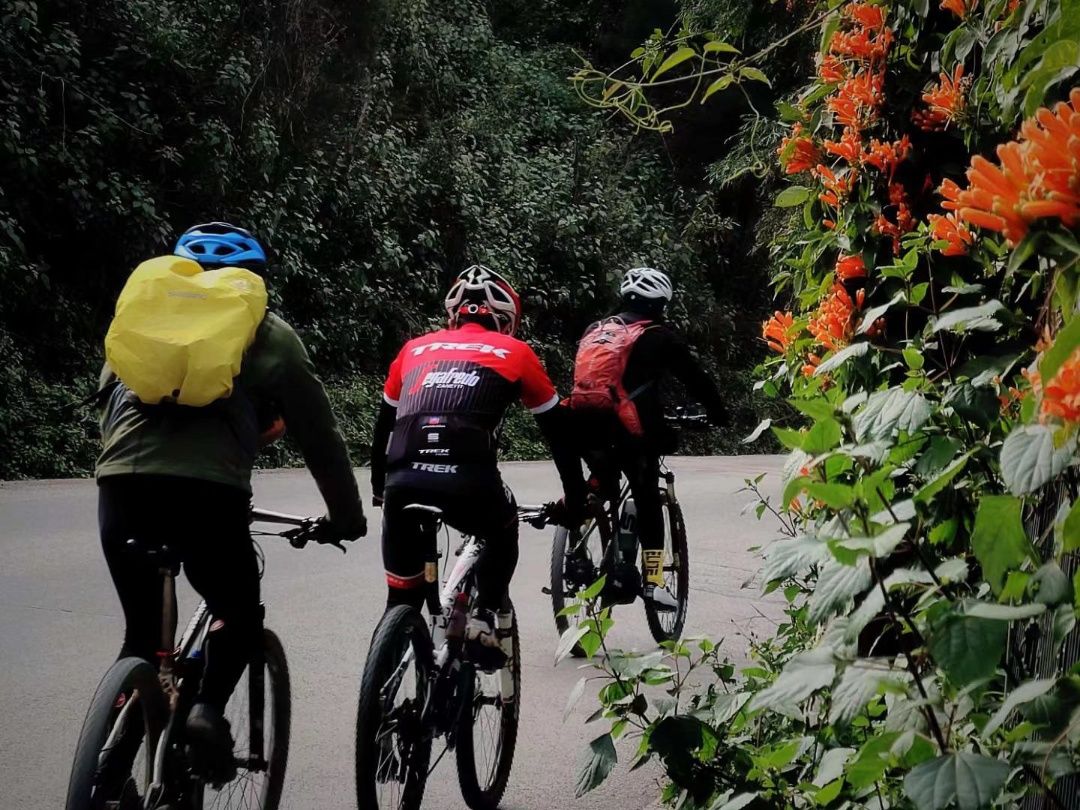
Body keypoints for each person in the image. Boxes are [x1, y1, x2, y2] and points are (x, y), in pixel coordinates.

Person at [96, 222, 367, 782]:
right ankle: (205, 711)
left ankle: (108, 774)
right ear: (254, 280)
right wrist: (346, 517)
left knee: (142, 635)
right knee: (239, 613)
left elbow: (110, 406)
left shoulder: (142, 317)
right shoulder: (270, 333)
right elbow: (319, 437)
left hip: (122, 484)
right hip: (208, 493)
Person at [370, 264, 586, 658]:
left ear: (452, 314)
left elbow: (384, 426)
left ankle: (384, 676)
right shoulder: (516, 352)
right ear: (506, 320)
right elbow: (560, 437)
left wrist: (379, 489)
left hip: (402, 480)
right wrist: (575, 500)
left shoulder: (413, 349)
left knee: (400, 599)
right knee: (503, 527)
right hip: (469, 483)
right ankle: (485, 616)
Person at [571, 266, 726, 609]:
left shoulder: (595, 330)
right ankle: (654, 582)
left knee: (601, 483)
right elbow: (695, 379)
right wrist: (718, 413)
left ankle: (576, 547)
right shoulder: (659, 336)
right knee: (647, 498)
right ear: (660, 304)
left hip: (583, 423)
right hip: (630, 429)